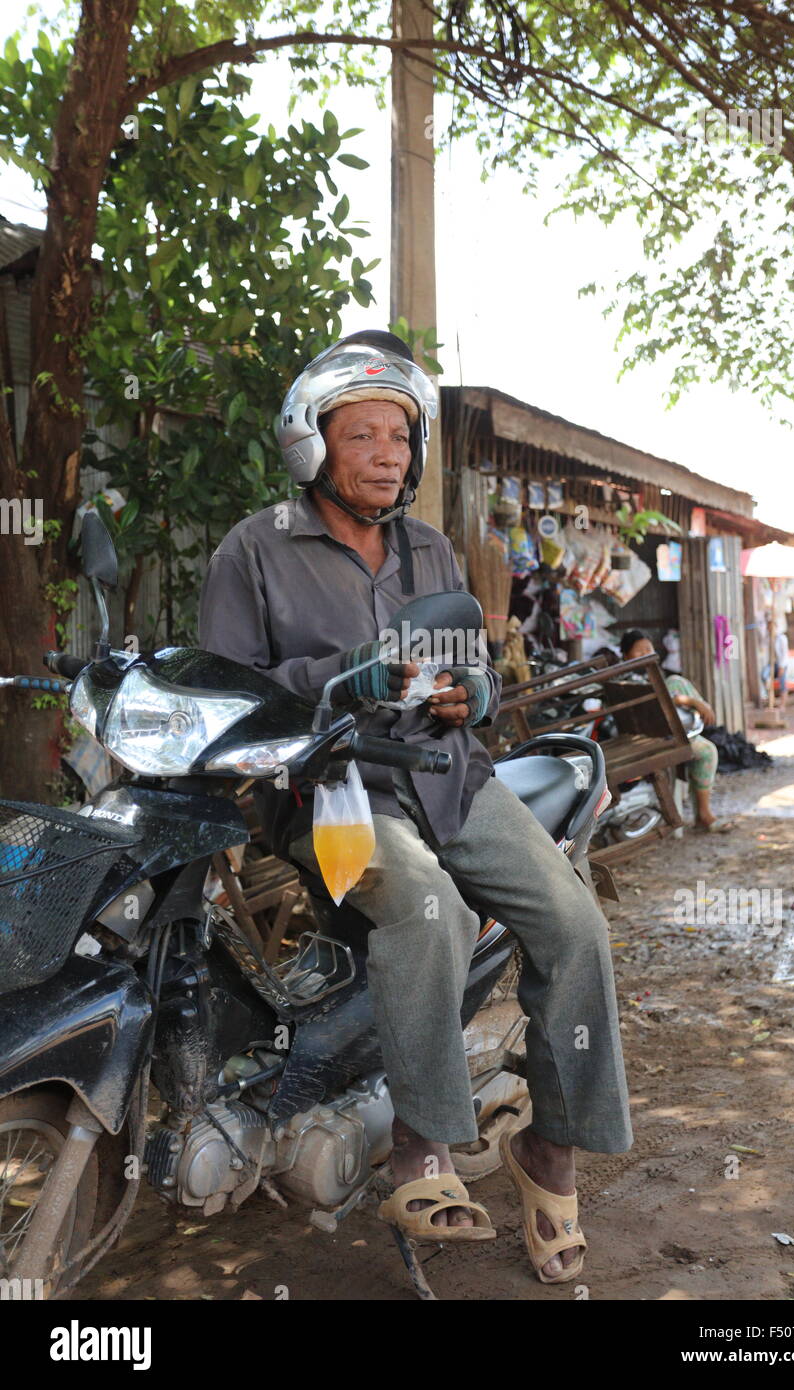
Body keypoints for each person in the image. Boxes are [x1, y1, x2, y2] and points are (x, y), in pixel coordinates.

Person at [198, 330, 633, 1283]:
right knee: (427, 907)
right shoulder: (255, 551)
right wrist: (342, 680)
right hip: (334, 793)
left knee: (575, 926)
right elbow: (230, 696)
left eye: (399, 435)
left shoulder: (430, 547)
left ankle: (549, 1152)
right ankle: (424, 1146)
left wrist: (463, 697)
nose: (389, 454)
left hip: (449, 776)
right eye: (363, 436)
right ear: (313, 446)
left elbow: (469, 665)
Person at [619, 629, 733, 834]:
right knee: (707, 751)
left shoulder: (637, 676)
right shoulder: (634, 678)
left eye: (648, 648)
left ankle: (697, 724)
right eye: (639, 650)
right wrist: (691, 701)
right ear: (626, 655)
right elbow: (661, 701)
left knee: (676, 683)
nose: (645, 653)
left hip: (653, 734)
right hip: (654, 739)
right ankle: (704, 815)